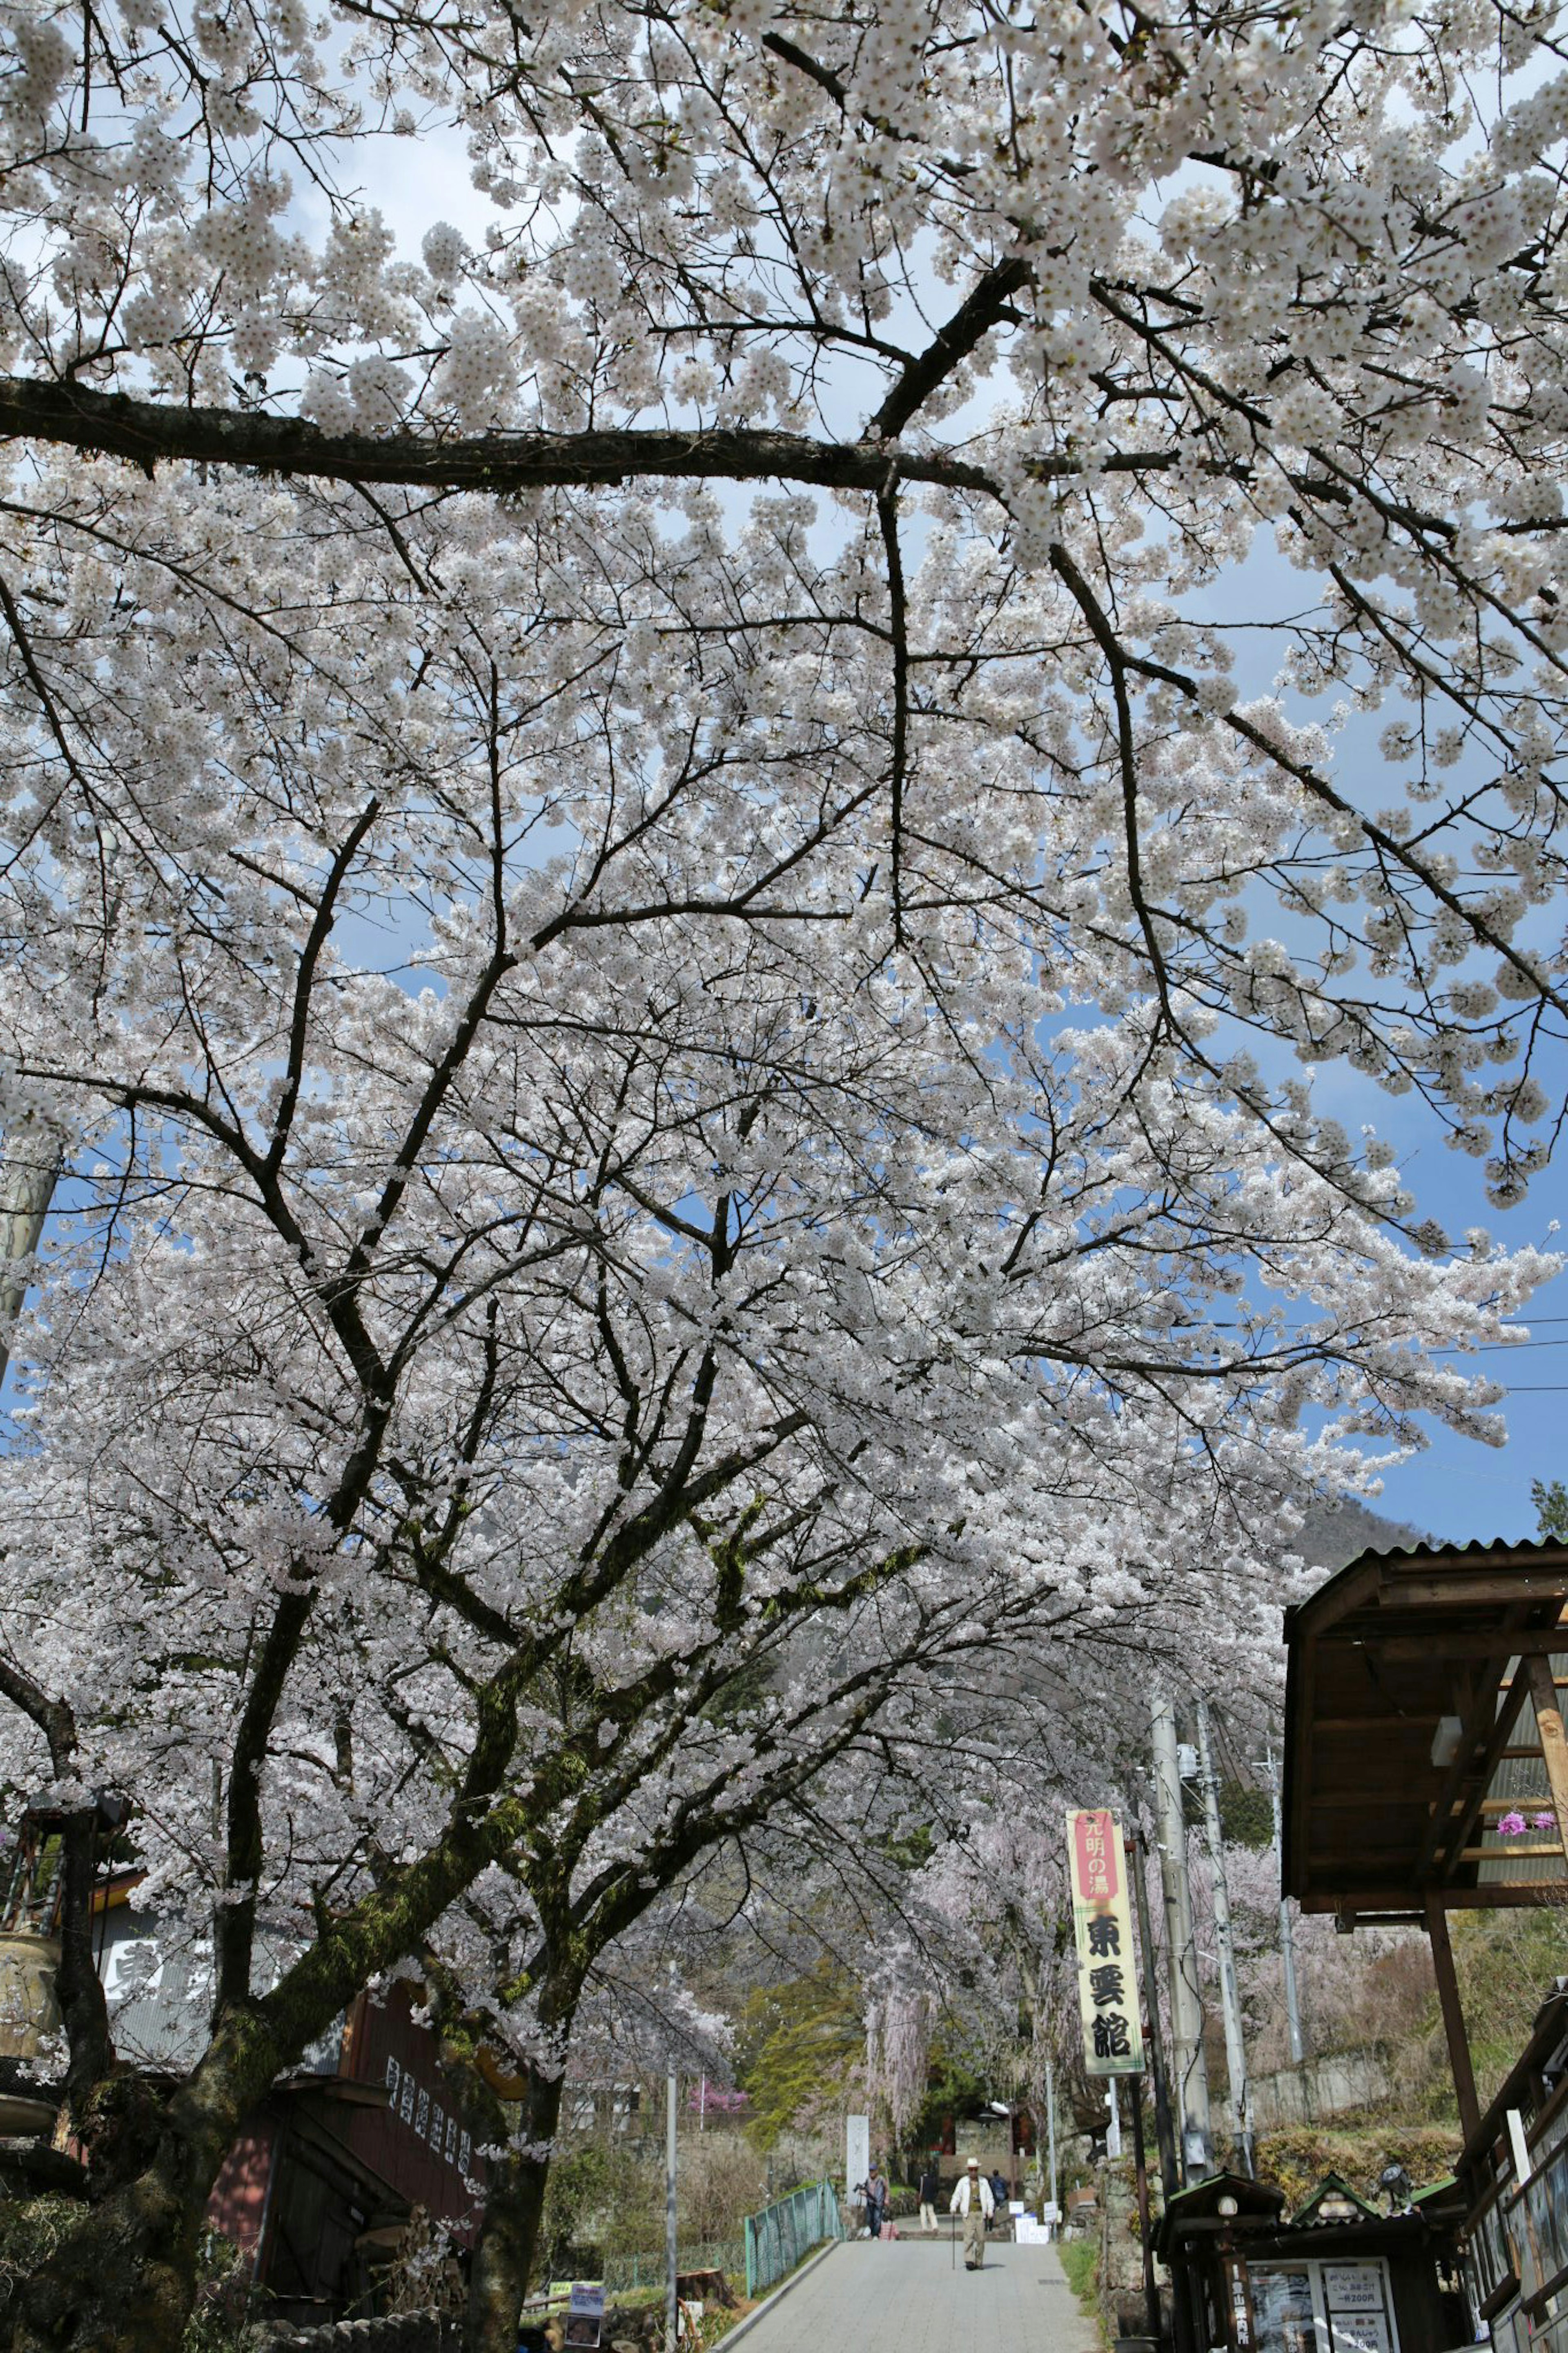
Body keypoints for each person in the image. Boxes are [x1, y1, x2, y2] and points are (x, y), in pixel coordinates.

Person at [949, 2156, 995, 2270]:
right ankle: (969, 2260)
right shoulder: (963, 2182)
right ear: (968, 2170)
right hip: (968, 2214)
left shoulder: (984, 2182)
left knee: (981, 2239)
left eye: (975, 2169)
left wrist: (990, 2210)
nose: (973, 2172)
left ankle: (979, 2261)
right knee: (969, 2238)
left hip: (980, 2214)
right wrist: (953, 2206)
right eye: (971, 2170)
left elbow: (989, 2197)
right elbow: (957, 2195)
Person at [918, 2163, 940, 2235]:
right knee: (932, 2213)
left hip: (923, 2199)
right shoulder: (932, 2180)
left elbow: (919, 2189)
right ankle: (935, 2227)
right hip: (931, 2199)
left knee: (923, 2213)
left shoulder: (921, 2180)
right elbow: (936, 2189)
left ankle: (924, 2228)